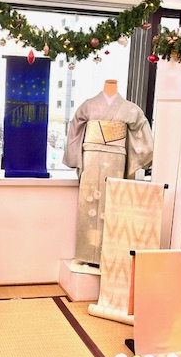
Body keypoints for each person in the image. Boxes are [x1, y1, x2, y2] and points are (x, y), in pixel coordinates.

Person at [63, 79, 154, 266]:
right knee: (88, 202)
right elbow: (75, 130)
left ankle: (109, 253)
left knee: (112, 202)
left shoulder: (130, 109)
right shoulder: (88, 106)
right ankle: (85, 253)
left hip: (116, 158)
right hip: (91, 157)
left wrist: (140, 156)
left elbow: (142, 129)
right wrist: (75, 156)